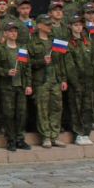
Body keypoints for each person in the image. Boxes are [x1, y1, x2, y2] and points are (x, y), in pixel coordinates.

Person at [28, 16, 68, 148]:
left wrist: (63, 79)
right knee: (42, 109)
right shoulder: (32, 43)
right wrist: (41, 62)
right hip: (41, 81)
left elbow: (61, 62)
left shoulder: (54, 42)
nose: (50, 27)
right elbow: (27, 64)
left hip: (55, 79)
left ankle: (54, 135)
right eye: (47, 24)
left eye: (50, 24)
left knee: (57, 108)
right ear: (39, 26)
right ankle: (46, 136)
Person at [0, 23, 32, 152]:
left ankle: (20, 139)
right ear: (5, 33)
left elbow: (27, 68)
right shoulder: (0, 49)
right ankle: (11, 140)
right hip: (7, 86)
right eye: (10, 31)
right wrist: (6, 72)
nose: (13, 33)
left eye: (15, 31)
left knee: (22, 113)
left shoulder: (22, 49)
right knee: (8, 114)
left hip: (20, 85)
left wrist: (28, 84)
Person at [66, 16, 94, 145]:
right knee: (76, 108)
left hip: (88, 80)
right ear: (71, 27)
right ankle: (78, 133)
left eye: (80, 25)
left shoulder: (88, 42)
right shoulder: (68, 43)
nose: (78, 27)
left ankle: (86, 132)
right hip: (76, 81)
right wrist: (75, 81)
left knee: (87, 107)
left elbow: (93, 61)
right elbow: (69, 64)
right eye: (75, 25)